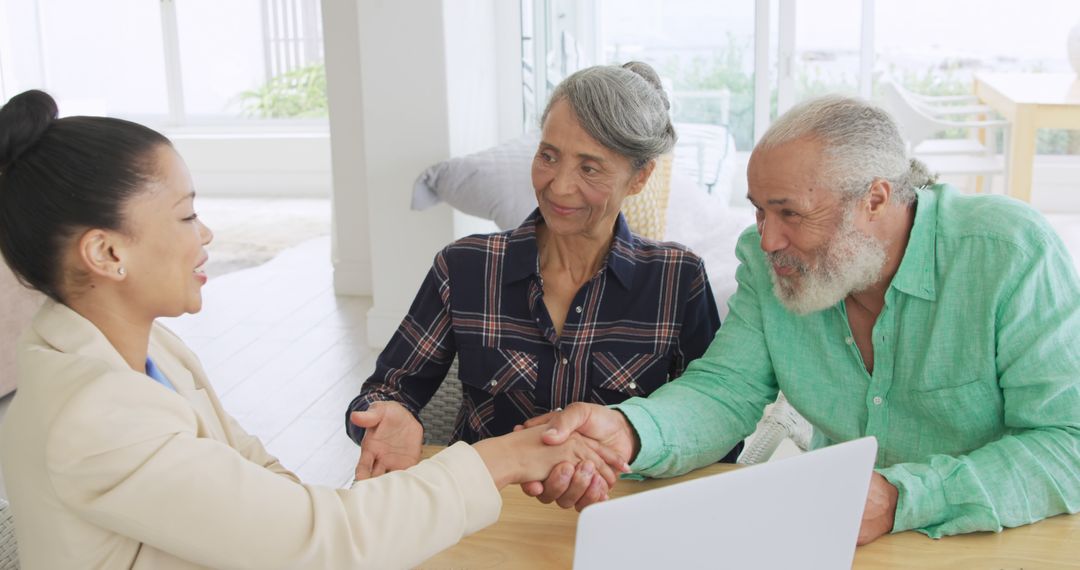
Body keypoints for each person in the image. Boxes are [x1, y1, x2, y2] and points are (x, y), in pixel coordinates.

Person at [0, 89, 625, 569]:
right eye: (187, 214)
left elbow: (259, 475)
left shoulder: (143, 348)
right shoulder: (95, 418)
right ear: (107, 254)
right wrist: (506, 457)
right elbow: (324, 538)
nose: (207, 234)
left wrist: (312, 523)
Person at [519, 95, 1080, 543]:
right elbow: (724, 390)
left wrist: (902, 498)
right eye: (760, 210)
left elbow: (1067, 444)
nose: (767, 238)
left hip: (1000, 539)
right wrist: (628, 431)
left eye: (789, 213)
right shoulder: (768, 261)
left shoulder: (1007, 251)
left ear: (876, 201)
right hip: (833, 540)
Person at [345, 60, 739, 507]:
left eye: (590, 168)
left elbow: (714, 430)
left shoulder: (677, 279)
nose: (559, 186)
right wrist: (388, 415)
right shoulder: (465, 266)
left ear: (640, 176)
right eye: (548, 156)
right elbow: (385, 391)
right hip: (481, 516)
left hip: (617, 517)